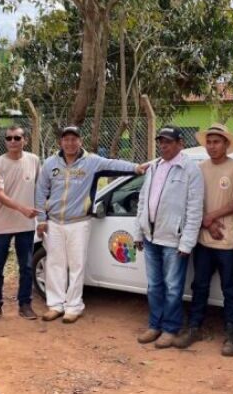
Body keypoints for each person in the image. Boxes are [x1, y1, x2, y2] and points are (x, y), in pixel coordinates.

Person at [36, 125, 147, 324]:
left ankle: (73, 307)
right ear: (61, 142)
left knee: (77, 265)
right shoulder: (50, 163)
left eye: (74, 139)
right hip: (53, 222)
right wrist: (41, 219)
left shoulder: (92, 162)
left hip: (79, 223)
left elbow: (113, 163)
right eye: (66, 139)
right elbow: (40, 191)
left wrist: (135, 168)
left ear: (80, 141)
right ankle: (55, 305)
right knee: (54, 264)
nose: (70, 143)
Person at [174, 124, 233, 356]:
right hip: (204, 239)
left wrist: (212, 218)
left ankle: (231, 334)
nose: (212, 146)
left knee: (229, 288)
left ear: (226, 144)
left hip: (227, 240)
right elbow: (193, 199)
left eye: (217, 142)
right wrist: (208, 223)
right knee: (200, 285)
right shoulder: (200, 168)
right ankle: (195, 328)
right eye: (209, 142)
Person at [134, 125, 205, 349]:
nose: (163, 145)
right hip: (150, 237)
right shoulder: (154, 166)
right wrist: (139, 231)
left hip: (173, 240)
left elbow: (195, 209)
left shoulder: (190, 169)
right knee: (154, 286)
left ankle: (170, 329)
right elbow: (143, 201)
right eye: (161, 142)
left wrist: (187, 242)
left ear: (179, 144)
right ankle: (155, 325)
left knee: (173, 287)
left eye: (168, 142)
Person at [0, 126, 40, 323]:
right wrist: (23, 208)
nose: (13, 141)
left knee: (26, 266)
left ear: (25, 140)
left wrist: (41, 215)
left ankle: (25, 304)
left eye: (17, 138)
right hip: (2, 224)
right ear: (5, 141)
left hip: (26, 225)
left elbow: (39, 188)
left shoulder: (34, 160)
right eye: (9, 138)